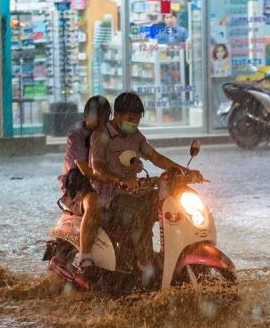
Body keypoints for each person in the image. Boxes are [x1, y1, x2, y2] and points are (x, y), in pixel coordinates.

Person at [89, 92, 199, 274]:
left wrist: (183, 172)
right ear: (117, 114)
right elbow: (96, 169)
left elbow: (155, 156)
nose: (133, 124)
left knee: (170, 202)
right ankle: (144, 262)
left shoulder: (135, 136)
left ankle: (172, 255)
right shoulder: (100, 136)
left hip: (133, 195)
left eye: (137, 120)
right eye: (130, 119)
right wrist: (121, 181)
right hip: (109, 201)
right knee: (140, 211)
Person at [57, 95, 112, 271]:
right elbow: (87, 171)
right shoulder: (77, 137)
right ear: (86, 115)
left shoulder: (109, 136)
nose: (101, 122)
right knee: (94, 203)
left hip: (103, 186)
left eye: (105, 117)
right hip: (78, 190)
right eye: (98, 117)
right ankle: (85, 257)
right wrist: (118, 178)